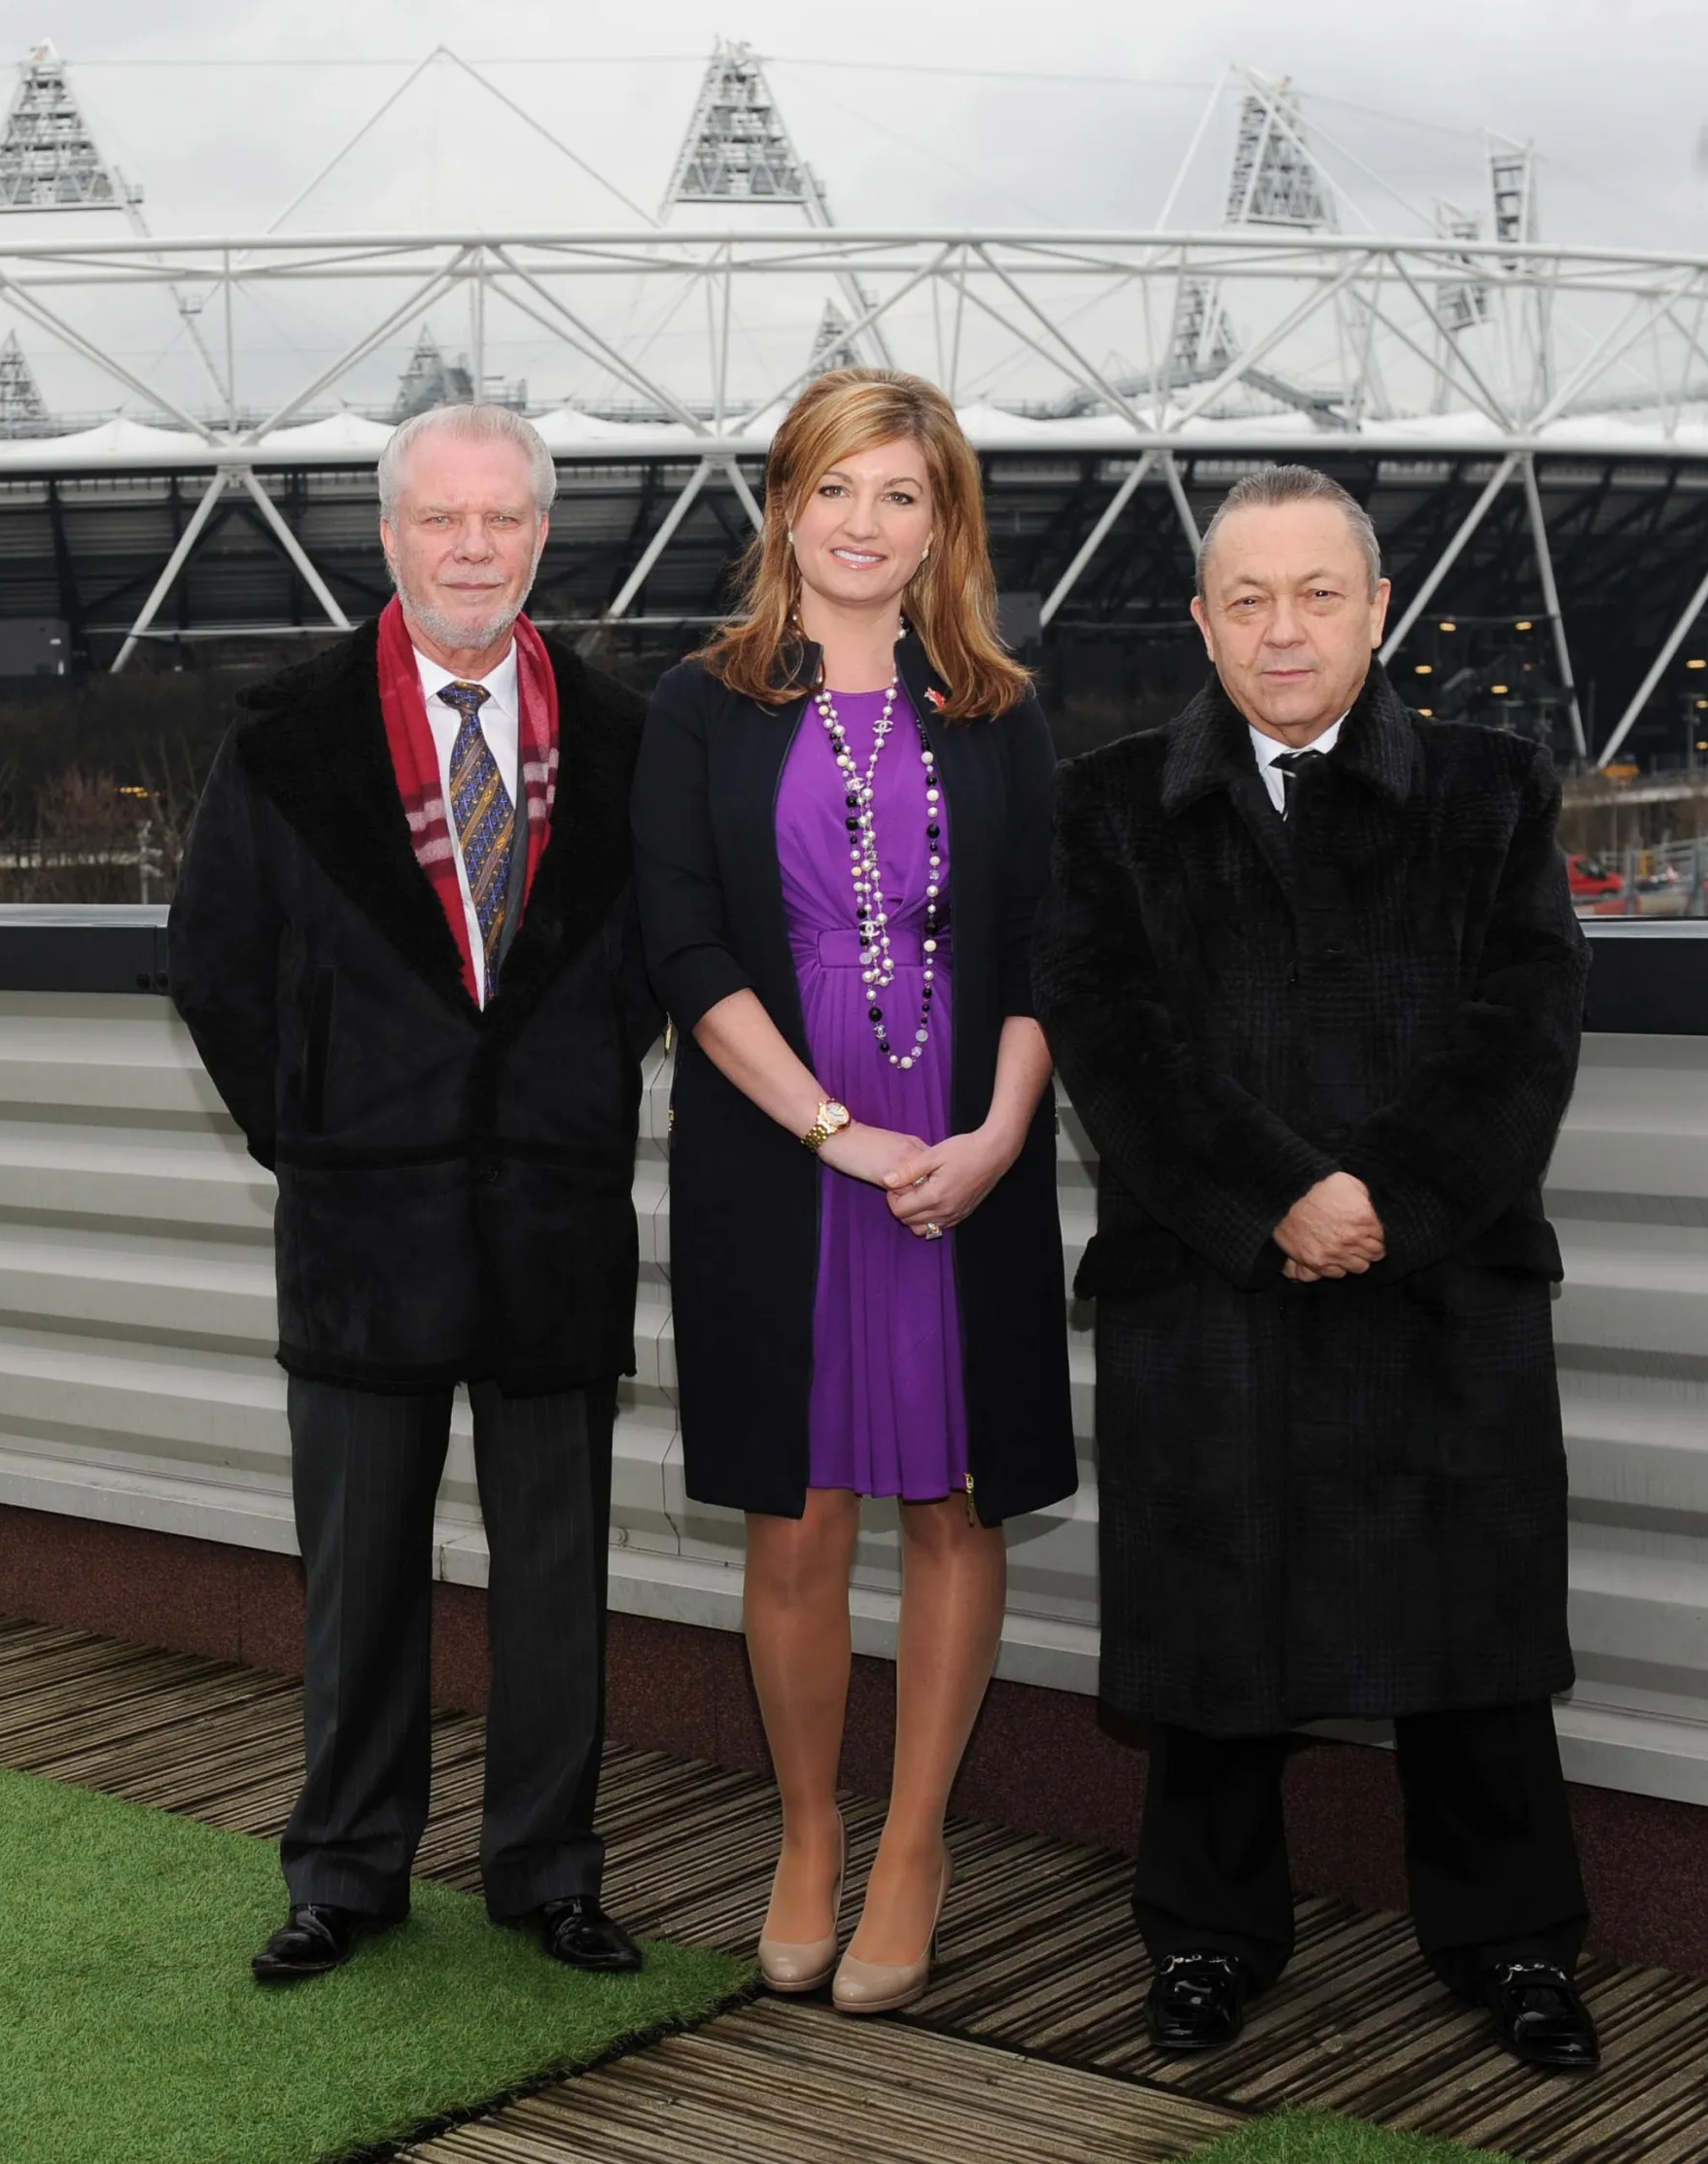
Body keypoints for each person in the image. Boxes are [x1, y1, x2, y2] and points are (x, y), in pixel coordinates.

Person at [1031, 466, 1599, 2074]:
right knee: (1217, 1630)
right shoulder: (1113, 802)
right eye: (1250, 599)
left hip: (1441, 1284)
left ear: (1380, 608)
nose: (1286, 629)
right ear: (1204, 623)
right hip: (1214, 1287)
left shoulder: (1494, 789)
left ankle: (1514, 1942)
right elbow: (1110, 1040)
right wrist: (1279, 1195)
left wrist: (1387, 1201)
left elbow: (1527, 1027)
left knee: (1472, 1632)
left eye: (1319, 594)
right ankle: (1207, 1936)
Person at [169, 404, 660, 1985]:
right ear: (387, 537)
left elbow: (643, 969)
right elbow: (216, 967)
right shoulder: (287, 737)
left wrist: (558, 1093)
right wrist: (316, 1130)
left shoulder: (626, 738)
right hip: (361, 1226)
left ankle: (546, 1866)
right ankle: (346, 1868)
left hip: (551, 1216)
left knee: (557, 1573)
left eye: (501, 518)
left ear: (539, 536)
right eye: (439, 518)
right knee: (359, 1570)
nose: (470, 546)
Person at [632, 368, 1075, 2016]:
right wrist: (838, 1130)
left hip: (968, 1139)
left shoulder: (1003, 709)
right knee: (798, 1511)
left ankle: (916, 1840)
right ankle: (810, 1830)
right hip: (784, 1145)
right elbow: (683, 948)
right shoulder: (703, 704)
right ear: (784, 508)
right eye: (836, 489)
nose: (865, 524)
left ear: (942, 520)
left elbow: (1043, 946)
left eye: (902, 493)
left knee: (954, 1497)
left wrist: (996, 1135)